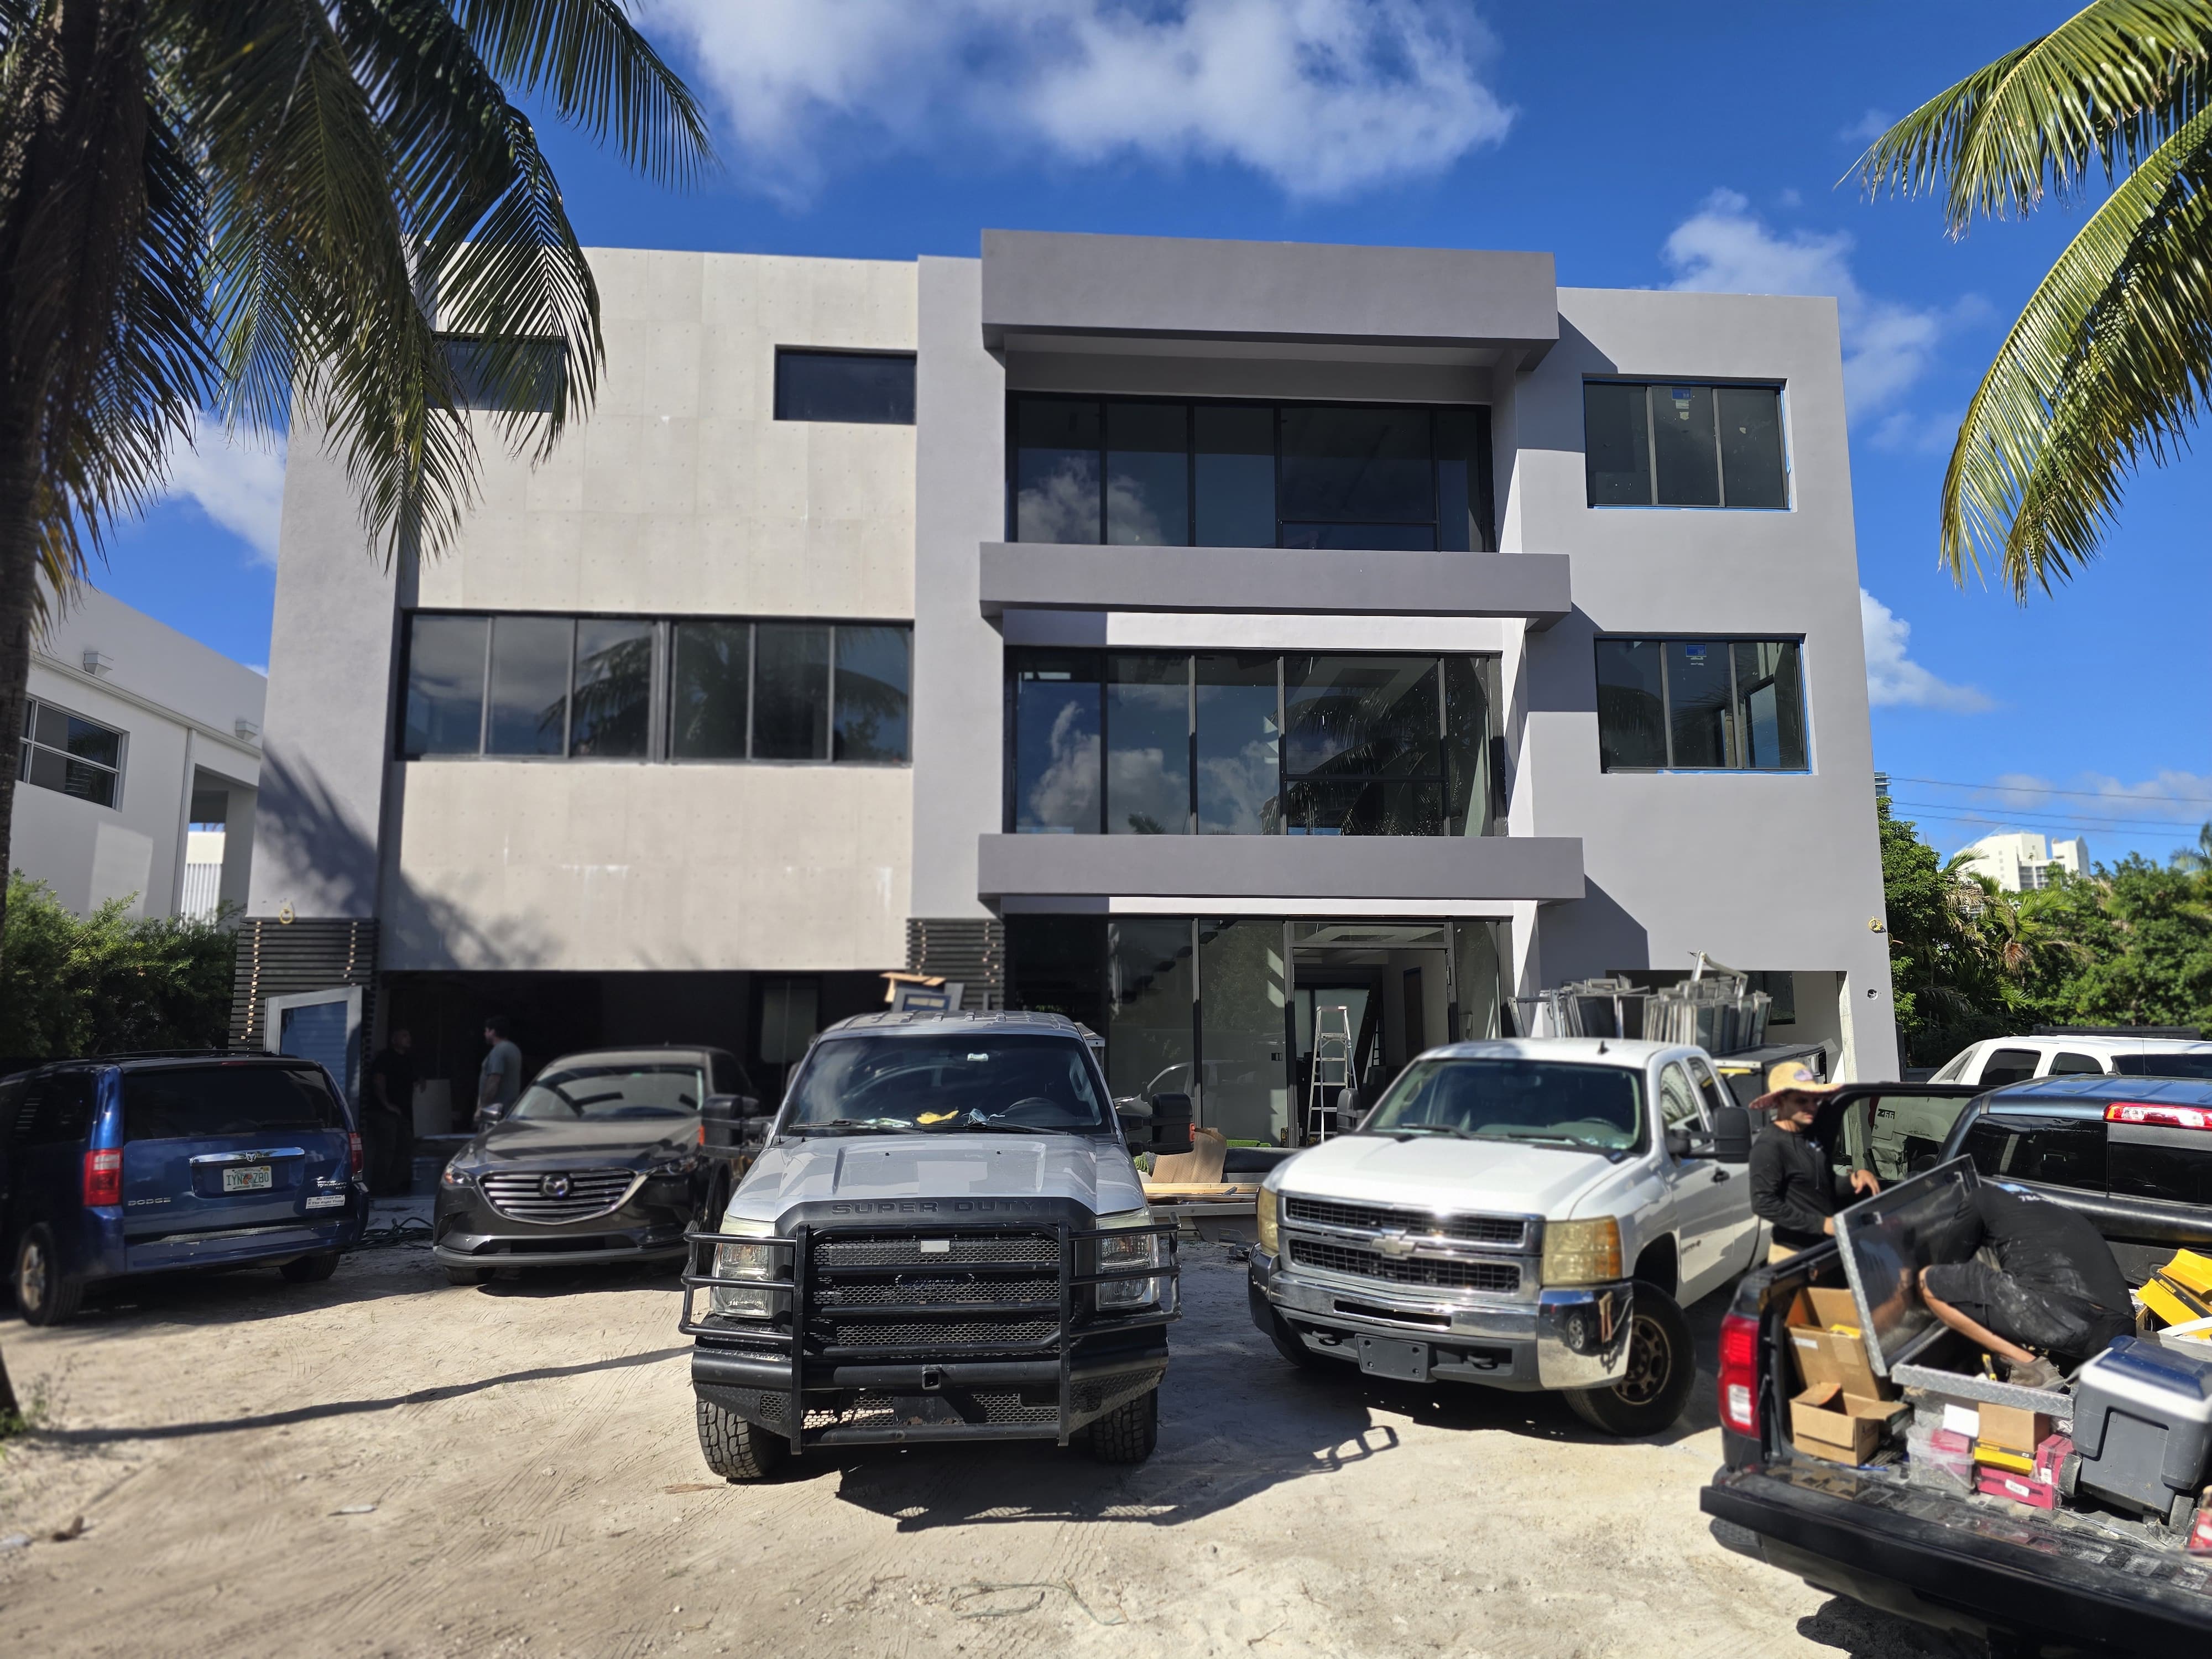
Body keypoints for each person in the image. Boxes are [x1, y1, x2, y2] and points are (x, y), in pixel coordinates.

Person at [1919, 1183, 2133, 1386]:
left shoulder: (1978, 1199)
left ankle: (2033, 1370)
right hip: (2121, 1333)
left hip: (2065, 1320)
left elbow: (1950, 1265)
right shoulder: (2055, 1210)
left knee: (1928, 1282)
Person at [1748, 1060, 1880, 1262]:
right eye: (1802, 1101)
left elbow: (1821, 1185)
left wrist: (1854, 1179)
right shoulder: (1770, 1145)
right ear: (1781, 1102)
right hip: (1793, 1255)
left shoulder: (1809, 1137)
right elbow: (1763, 1203)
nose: (1811, 1107)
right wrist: (1821, 1225)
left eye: (1815, 1101)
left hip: (1824, 1249)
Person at [364, 1027, 419, 1194]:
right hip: (384, 1112)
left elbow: (413, 1078)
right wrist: (386, 1104)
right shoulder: (385, 1058)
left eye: (409, 1035)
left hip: (402, 1113)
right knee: (387, 1149)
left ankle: (394, 1186)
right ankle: (379, 1188)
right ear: (394, 1040)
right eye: (404, 1035)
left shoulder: (408, 1060)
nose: (408, 1038)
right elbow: (379, 1081)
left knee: (405, 1148)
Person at [477, 1016, 523, 1128]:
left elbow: (494, 1081)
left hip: (495, 1111)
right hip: (509, 1109)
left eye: (486, 1031)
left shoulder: (498, 1051)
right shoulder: (514, 1049)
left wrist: (482, 1107)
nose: (485, 1034)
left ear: (493, 1032)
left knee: (489, 1138)